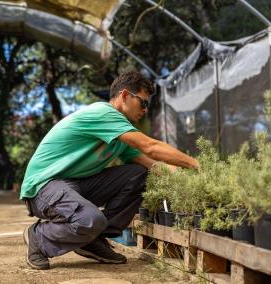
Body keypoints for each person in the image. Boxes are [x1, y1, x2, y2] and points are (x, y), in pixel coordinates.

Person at [20, 70, 198, 270]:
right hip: (43, 187)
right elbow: (151, 147)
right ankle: (39, 237)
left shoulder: (121, 135)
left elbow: (153, 165)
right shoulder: (103, 113)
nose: (145, 110)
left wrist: (189, 181)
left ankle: (93, 240)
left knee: (140, 175)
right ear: (124, 96)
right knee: (89, 219)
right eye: (143, 103)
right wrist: (195, 165)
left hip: (76, 185)